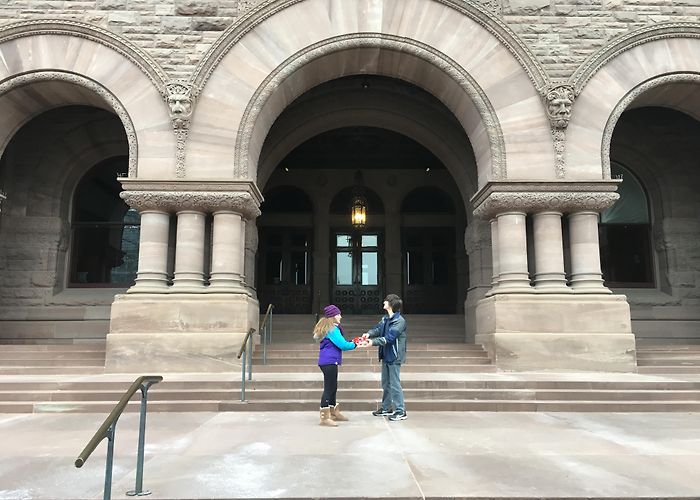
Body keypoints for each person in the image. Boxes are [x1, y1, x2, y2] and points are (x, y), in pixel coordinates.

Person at [313, 304, 364, 427]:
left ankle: (333, 412)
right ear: (333, 316)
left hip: (329, 361)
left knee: (333, 387)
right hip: (329, 362)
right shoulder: (332, 329)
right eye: (338, 314)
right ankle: (325, 418)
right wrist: (356, 343)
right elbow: (343, 345)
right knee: (329, 388)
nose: (340, 316)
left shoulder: (330, 328)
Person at [363, 294, 407, 421]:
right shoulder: (385, 319)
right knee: (386, 383)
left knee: (394, 384)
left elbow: (390, 338)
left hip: (394, 356)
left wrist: (372, 342)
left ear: (391, 304)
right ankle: (386, 408)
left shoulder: (400, 321)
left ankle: (400, 411)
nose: (384, 302)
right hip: (385, 354)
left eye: (386, 301)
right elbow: (377, 329)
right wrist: (368, 334)